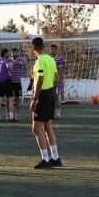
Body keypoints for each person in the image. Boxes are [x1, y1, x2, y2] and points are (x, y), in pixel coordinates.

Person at [29, 37, 63, 169]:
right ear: (43, 46)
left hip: (42, 95)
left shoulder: (40, 61)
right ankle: (56, 158)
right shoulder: (51, 59)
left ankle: (45, 159)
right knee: (48, 127)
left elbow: (40, 79)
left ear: (33, 48)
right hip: (50, 93)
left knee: (36, 129)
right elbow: (56, 77)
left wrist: (35, 98)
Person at [0, 49, 16, 121]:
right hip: (7, 81)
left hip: (0, 82)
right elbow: (8, 66)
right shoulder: (6, 60)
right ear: (6, 53)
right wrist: (12, 74)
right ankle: (11, 117)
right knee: (10, 99)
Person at [49, 44, 64, 119]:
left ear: (56, 50)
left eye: (53, 49)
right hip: (49, 81)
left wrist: (57, 81)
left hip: (56, 82)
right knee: (51, 97)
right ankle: (51, 112)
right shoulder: (49, 59)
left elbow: (60, 72)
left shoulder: (58, 59)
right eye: (51, 49)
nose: (52, 50)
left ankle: (58, 113)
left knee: (56, 96)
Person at [10, 48, 25, 121]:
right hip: (9, 82)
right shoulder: (8, 60)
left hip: (17, 82)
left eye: (16, 52)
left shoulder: (20, 60)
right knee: (9, 99)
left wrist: (13, 61)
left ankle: (17, 114)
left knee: (17, 99)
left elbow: (21, 64)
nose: (14, 53)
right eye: (13, 52)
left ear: (18, 53)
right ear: (11, 53)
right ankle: (9, 114)